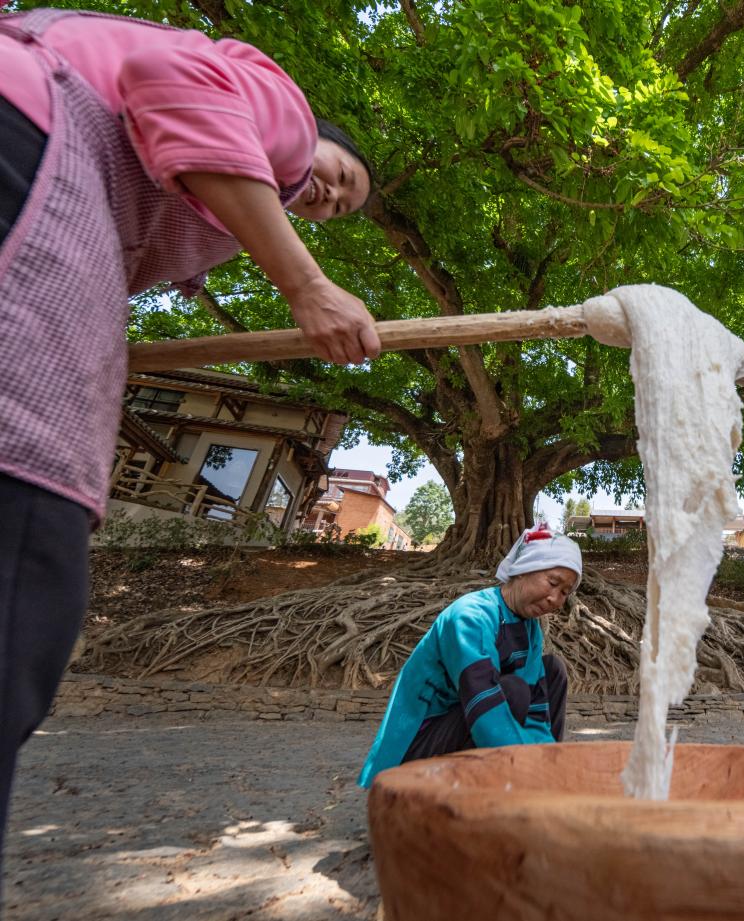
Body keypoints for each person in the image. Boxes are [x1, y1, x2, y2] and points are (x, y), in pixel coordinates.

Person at [0, 7, 382, 877]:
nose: (325, 197)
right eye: (337, 175)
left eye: (340, 210)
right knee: (24, 583)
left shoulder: (195, 209)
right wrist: (309, 285)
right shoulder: (275, 110)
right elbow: (172, 84)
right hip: (26, 142)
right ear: (306, 136)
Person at [359, 525, 580, 787]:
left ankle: (536, 776)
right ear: (524, 569)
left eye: (565, 592)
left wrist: (545, 761)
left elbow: (535, 710)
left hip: (473, 728)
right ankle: (490, 788)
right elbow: (483, 700)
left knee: (552, 670)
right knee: (513, 690)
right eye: (553, 582)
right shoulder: (470, 616)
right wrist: (526, 768)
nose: (556, 598)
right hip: (416, 747)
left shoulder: (531, 630)